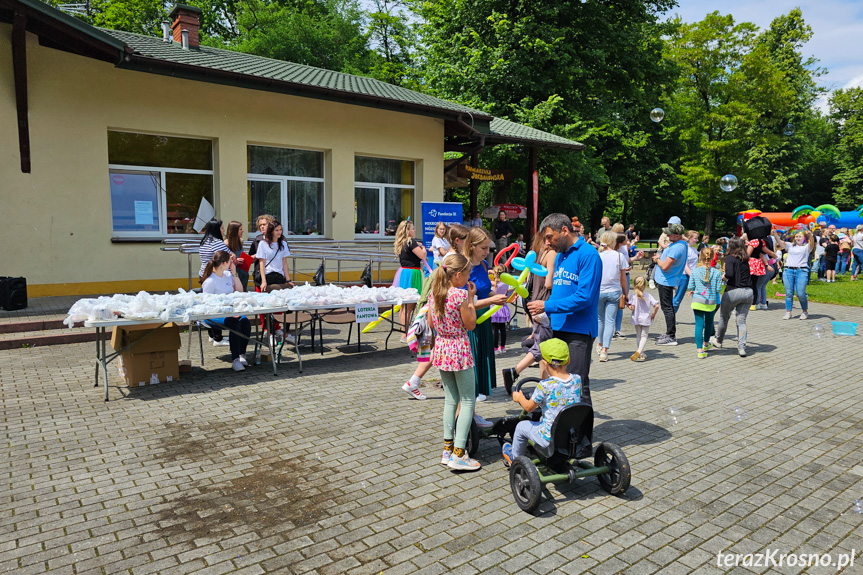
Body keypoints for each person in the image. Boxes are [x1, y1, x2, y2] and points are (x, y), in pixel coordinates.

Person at [527, 213, 601, 405]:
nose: (547, 242)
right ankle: (562, 431)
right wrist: (545, 314)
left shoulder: (588, 254)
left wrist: (547, 306)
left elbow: (584, 297)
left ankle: (581, 435)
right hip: (558, 327)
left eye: (550, 237)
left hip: (579, 331)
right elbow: (560, 292)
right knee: (559, 385)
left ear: (565, 231)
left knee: (577, 386)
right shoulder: (560, 256)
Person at [402, 224, 470, 400]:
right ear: (457, 240)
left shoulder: (452, 257)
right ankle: (414, 381)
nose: (468, 243)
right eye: (466, 239)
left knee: (436, 349)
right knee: (436, 348)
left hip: (439, 305)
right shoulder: (453, 259)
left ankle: (413, 381)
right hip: (442, 308)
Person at [429, 252, 481, 471]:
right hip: (458, 348)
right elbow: (471, 324)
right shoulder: (459, 296)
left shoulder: (435, 293)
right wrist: (470, 299)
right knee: (468, 400)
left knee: (450, 400)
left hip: (442, 347)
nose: (469, 276)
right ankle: (459, 454)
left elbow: (431, 322)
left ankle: (447, 449)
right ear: (458, 275)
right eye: (468, 273)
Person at [501, 339, 581, 467]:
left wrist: (519, 398)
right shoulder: (577, 379)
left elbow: (529, 407)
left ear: (544, 363)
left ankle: (515, 459)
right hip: (572, 435)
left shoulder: (545, 385)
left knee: (521, 427)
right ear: (568, 360)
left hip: (549, 437)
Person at [501, 232, 555, 389]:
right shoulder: (551, 254)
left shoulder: (538, 254)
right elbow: (549, 283)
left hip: (534, 304)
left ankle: (544, 383)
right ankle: (513, 371)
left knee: (543, 346)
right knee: (542, 346)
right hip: (544, 305)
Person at [462, 228, 508, 401]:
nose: (487, 252)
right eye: (484, 248)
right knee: (472, 357)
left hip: (484, 318)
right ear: (472, 246)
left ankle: (478, 392)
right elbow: (464, 303)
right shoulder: (463, 267)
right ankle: (470, 398)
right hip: (470, 320)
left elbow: (485, 291)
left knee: (482, 355)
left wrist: (499, 296)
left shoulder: (482, 265)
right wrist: (491, 301)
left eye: (489, 248)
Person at [200, 251, 252, 372]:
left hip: (230, 312)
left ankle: (242, 354)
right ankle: (235, 359)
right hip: (213, 314)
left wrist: (235, 274)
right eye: (230, 262)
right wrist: (226, 311)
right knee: (235, 323)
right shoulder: (210, 281)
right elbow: (207, 304)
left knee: (245, 321)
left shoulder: (228, 275)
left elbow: (240, 291)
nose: (232, 264)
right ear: (224, 263)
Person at [709, 237, 752, 357]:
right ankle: (742, 347)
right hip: (748, 292)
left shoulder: (730, 258)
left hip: (733, 291)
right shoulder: (745, 258)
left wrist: (723, 277)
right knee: (741, 321)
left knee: (724, 317)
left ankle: (718, 340)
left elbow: (729, 274)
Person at [652, 222, 688, 346]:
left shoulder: (678, 247)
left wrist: (657, 259)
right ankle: (669, 333)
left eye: (669, 233)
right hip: (666, 280)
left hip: (667, 280)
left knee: (667, 307)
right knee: (668, 307)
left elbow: (666, 266)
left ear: (677, 235)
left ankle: (671, 336)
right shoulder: (679, 244)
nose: (666, 234)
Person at [392, 219, 428, 336]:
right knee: (410, 305)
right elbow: (422, 255)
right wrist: (423, 248)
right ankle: (405, 333)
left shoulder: (402, 242)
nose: (415, 230)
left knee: (404, 305)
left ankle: (404, 332)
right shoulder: (411, 242)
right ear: (407, 230)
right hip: (413, 274)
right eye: (412, 228)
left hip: (404, 273)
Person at [596, 231, 627, 362]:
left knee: (599, 319)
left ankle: (599, 343)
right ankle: (605, 351)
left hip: (599, 291)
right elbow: (623, 278)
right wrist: (625, 292)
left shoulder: (598, 256)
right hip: (614, 291)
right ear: (613, 242)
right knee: (610, 322)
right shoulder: (619, 256)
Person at [687, 248, 723, 359]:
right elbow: (718, 289)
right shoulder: (717, 272)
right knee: (709, 324)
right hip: (711, 302)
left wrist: (694, 289)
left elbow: (690, 287)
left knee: (698, 325)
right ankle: (706, 344)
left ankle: (700, 351)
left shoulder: (695, 271)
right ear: (712, 258)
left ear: (700, 258)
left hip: (697, 301)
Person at [772, 229, 815, 320]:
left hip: (801, 271)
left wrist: (810, 235)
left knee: (800, 293)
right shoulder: (790, 245)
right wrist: (775, 234)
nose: (798, 238)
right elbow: (779, 242)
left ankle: (804, 311)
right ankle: (788, 312)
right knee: (789, 293)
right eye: (796, 236)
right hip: (788, 271)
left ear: (804, 238)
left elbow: (812, 243)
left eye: (800, 236)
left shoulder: (806, 247)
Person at [256, 221, 294, 293]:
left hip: (279, 275)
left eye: (280, 230)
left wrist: (288, 280)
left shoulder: (283, 244)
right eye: (277, 230)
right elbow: (262, 263)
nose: (279, 232)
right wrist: (263, 281)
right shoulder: (263, 244)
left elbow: (284, 263)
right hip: (268, 275)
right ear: (271, 231)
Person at [627, 276, 659, 362]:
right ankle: (639, 351)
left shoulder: (633, 296)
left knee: (638, 335)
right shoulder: (648, 295)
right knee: (644, 336)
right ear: (645, 286)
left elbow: (632, 308)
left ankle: (641, 353)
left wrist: (628, 304)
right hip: (646, 319)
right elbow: (656, 305)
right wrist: (653, 314)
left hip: (636, 318)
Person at [672, 230, 699, 313]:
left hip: (693, 276)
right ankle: (671, 317)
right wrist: (693, 275)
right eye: (695, 238)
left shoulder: (694, 250)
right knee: (678, 298)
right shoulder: (685, 249)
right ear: (689, 238)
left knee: (698, 297)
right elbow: (685, 266)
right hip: (684, 276)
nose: (697, 240)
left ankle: (702, 319)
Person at [490, 265, 511, 354]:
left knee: (494, 329)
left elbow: (488, 282)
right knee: (503, 329)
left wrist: (489, 272)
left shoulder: (495, 284)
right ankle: (502, 347)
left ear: (496, 274)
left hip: (495, 307)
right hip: (503, 307)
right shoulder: (506, 283)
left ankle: (495, 348)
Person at [225, 220, 249, 292]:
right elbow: (225, 260)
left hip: (243, 271)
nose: (243, 231)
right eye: (240, 229)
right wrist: (235, 261)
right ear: (234, 231)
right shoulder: (226, 243)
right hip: (233, 272)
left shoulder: (240, 241)